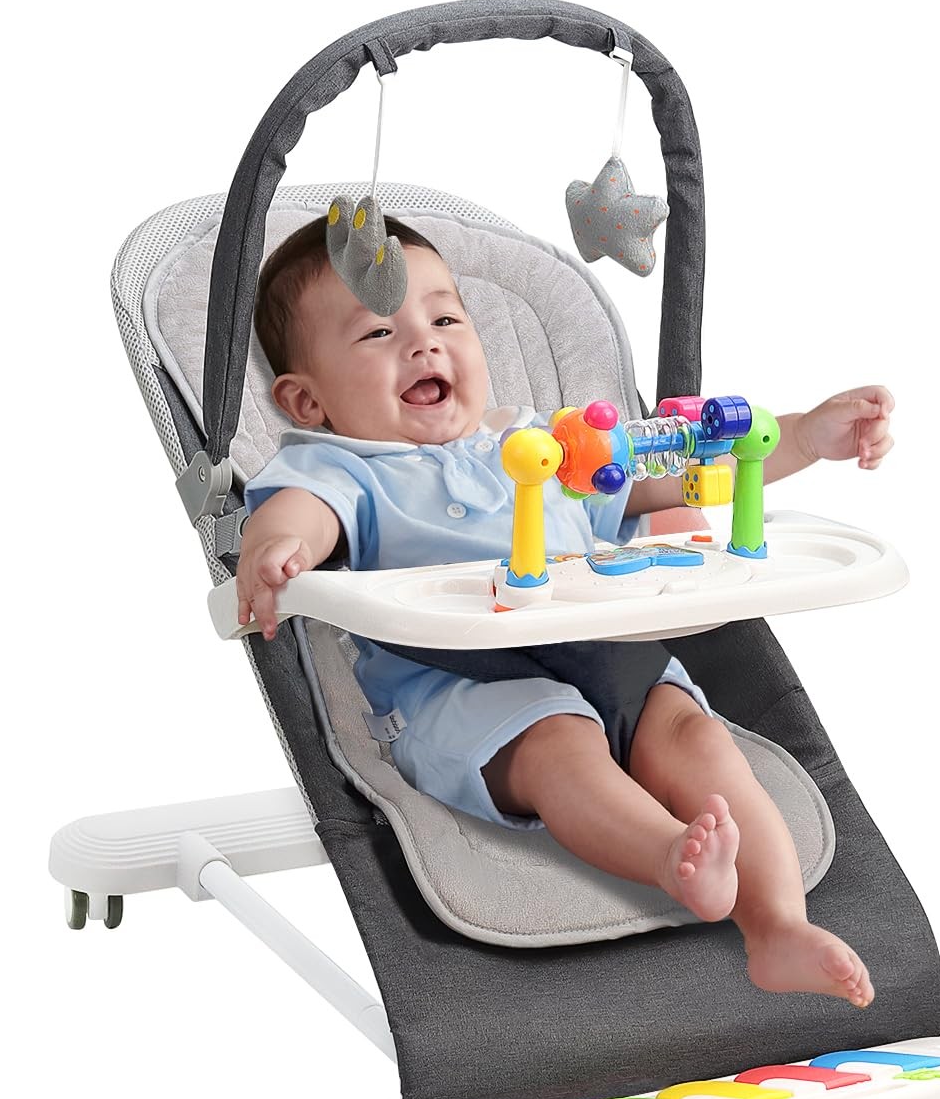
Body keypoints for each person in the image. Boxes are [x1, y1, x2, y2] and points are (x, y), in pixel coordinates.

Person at [237, 217, 895, 1001]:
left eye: (445, 319)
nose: (423, 345)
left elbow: (686, 468)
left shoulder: (541, 446)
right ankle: (669, 856)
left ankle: (778, 926)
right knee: (559, 744)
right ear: (306, 399)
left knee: (696, 737)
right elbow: (300, 515)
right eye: (379, 332)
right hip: (463, 688)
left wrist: (804, 436)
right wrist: (279, 547)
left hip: (612, 655)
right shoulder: (343, 469)